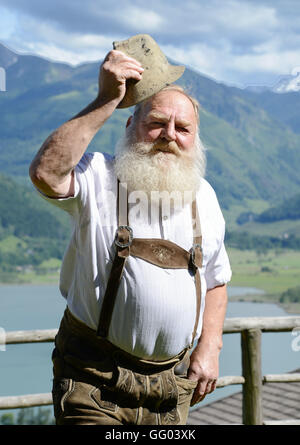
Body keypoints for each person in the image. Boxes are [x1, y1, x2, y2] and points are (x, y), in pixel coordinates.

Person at [29, 48, 232, 425]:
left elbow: (217, 279)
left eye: (183, 129)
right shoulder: (98, 176)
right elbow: (47, 173)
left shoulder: (204, 196)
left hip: (170, 390)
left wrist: (210, 346)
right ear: (129, 126)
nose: (169, 135)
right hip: (94, 383)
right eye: (156, 122)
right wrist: (107, 99)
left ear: (196, 139)